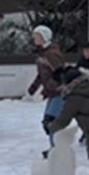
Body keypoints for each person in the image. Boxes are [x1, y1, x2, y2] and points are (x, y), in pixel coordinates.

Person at [28, 25, 66, 154]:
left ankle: (57, 149)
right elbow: (42, 74)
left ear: (45, 38)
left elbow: (61, 73)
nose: (35, 39)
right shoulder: (41, 54)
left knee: (51, 122)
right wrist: (34, 86)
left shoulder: (52, 54)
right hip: (52, 93)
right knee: (48, 123)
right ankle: (55, 148)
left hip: (60, 92)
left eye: (37, 37)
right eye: (34, 37)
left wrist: (51, 84)